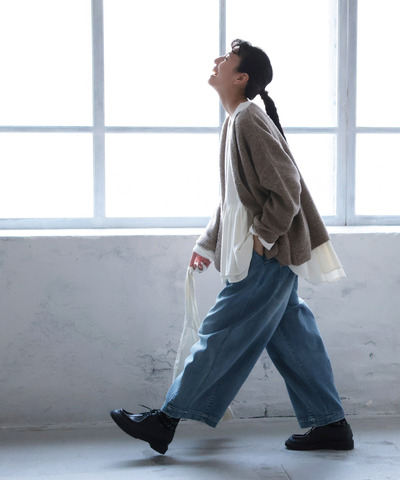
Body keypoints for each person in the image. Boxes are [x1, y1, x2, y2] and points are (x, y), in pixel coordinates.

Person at [110, 39, 354, 455]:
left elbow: (287, 188)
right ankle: (331, 424)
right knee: (294, 338)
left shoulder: (248, 119)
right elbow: (235, 200)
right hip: (264, 253)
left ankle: (165, 421)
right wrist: (208, 244)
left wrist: (262, 238)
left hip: (265, 256)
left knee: (219, 332)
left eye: (227, 58)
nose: (217, 60)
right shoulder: (237, 120)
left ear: (241, 77)